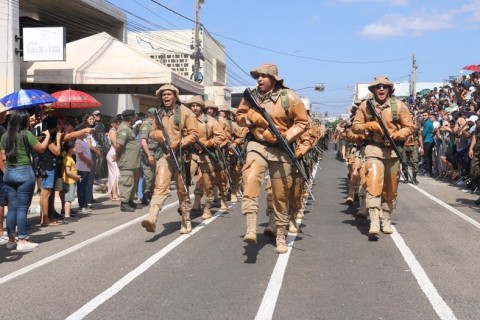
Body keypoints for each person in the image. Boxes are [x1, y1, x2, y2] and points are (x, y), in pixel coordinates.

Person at [235, 63, 309, 253]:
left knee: (280, 194)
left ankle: (281, 235)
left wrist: (286, 136)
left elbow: (302, 123)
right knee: (250, 177)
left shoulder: (290, 97)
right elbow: (239, 116)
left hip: (281, 148)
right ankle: (251, 227)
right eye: (257, 76)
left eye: (264, 76)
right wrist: (252, 117)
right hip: (257, 144)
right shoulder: (250, 97)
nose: (259, 79)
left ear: (274, 79)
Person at [352, 75, 414, 239]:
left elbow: (409, 127)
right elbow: (355, 126)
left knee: (391, 188)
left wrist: (396, 135)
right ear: (373, 90)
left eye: (384, 87)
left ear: (389, 89)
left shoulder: (399, 106)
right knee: (373, 183)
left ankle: (386, 219)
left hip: (393, 152)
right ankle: (373, 221)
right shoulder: (366, 106)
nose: (381, 89)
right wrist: (369, 125)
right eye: (378, 87)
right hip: (373, 149)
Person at [141, 84, 199, 234]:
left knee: (182, 190)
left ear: (175, 96)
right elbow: (152, 132)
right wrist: (156, 135)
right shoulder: (159, 114)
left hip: (182, 156)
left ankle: (186, 220)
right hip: (165, 155)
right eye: (163, 95)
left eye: (169, 94)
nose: (166, 97)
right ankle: (152, 218)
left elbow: (194, 134)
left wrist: (179, 143)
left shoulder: (186, 113)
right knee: (159, 186)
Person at [0, 110, 51, 251]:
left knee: (12, 208)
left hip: (9, 172)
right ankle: (22, 240)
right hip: (24, 172)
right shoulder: (26, 134)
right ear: (23, 121)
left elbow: (2, 156)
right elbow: (40, 149)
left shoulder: (5, 136)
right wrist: (47, 136)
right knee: (22, 208)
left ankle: (11, 238)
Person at [186, 95, 226, 220]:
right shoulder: (185, 120)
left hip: (206, 156)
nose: (195, 108)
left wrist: (206, 143)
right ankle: (187, 205)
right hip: (190, 155)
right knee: (184, 181)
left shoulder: (210, 121)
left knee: (207, 183)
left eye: (197, 105)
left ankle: (208, 206)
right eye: (192, 105)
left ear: (202, 107)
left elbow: (221, 137)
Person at [36, 115, 63, 226]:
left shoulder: (41, 135)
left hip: (43, 166)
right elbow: (56, 152)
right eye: (56, 125)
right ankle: (45, 220)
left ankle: (43, 218)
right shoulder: (48, 138)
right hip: (48, 167)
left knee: (44, 193)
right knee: (46, 194)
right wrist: (58, 137)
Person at [114, 109, 142, 212]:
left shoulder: (129, 128)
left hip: (131, 162)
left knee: (131, 182)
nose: (136, 118)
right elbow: (118, 145)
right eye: (135, 117)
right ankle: (124, 203)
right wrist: (117, 156)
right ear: (131, 118)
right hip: (126, 161)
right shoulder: (124, 129)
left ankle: (130, 201)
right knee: (126, 182)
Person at [138, 108, 162, 205]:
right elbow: (143, 141)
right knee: (148, 176)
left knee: (154, 175)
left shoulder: (155, 123)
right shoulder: (146, 124)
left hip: (156, 151)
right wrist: (149, 155)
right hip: (148, 152)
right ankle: (145, 195)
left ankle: (150, 194)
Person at [75, 125, 94, 214]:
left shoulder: (84, 141)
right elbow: (81, 155)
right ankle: (81, 205)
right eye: (84, 132)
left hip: (86, 168)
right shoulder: (78, 142)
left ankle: (85, 204)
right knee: (81, 187)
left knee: (85, 186)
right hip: (82, 168)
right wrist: (88, 162)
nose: (86, 134)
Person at [62, 140, 80, 223]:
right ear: (70, 149)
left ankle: (67, 214)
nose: (76, 148)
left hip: (71, 181)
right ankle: (67, 216)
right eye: (75, 147)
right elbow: (68, 172)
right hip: (69, 181)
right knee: (68, 199)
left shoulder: (69, 157)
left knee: (69, 198)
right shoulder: (68, 158)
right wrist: (76, 176)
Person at [106, 115, 121, 201]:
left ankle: (114, 193)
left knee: (115, 174)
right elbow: (115, 144)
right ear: (112, 124)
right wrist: (118, 154)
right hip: (113, 153)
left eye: (119, 121)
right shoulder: (112, 131)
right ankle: (114, 194)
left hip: (115, 152)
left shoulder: (115, 131)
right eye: (116, 122)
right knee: (115, 174)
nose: (118, 123)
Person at [92, 110, 106, 183]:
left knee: (100, 161)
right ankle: (94, 177)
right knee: (96, 161)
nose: (98, 116)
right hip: (95, 144)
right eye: (97, 115)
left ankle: (97, 175)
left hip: (101, 145)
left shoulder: (102, 124)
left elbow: (103, 134)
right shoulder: (92, 124)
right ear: (93, 115)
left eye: (99, 115)